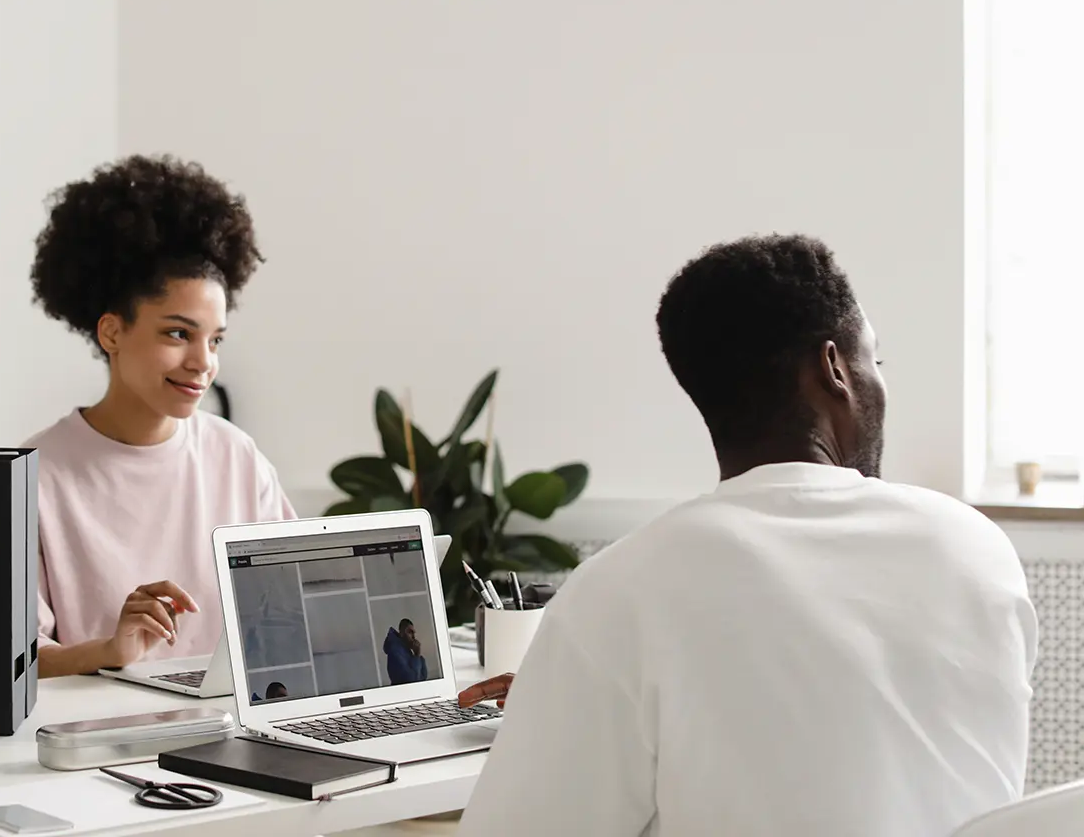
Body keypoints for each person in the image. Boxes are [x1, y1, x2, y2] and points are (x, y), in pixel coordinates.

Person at [457, 234, 1037, 837]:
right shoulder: (975, 548)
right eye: (876, 362)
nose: (879, 384)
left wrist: (567, 708)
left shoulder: (623, 593)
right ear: (835, 368)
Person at [26, 155, 297, 679]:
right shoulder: (34, 477)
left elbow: (296, 599)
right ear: (112, 333)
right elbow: (9, 664)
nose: (204, 362)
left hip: (228, 731)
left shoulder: (235, 456)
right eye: (178, 333)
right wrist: (110, 651)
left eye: (214, 339)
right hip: (97, 745)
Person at [383, 618, 429, 684]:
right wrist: (416, 655)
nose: (413, 637)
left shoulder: (406, 651)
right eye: (410, 632)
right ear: (401, 633)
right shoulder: (395, 651)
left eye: (413, 633)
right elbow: (412, 679)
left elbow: (423, 676)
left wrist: (418, 656)